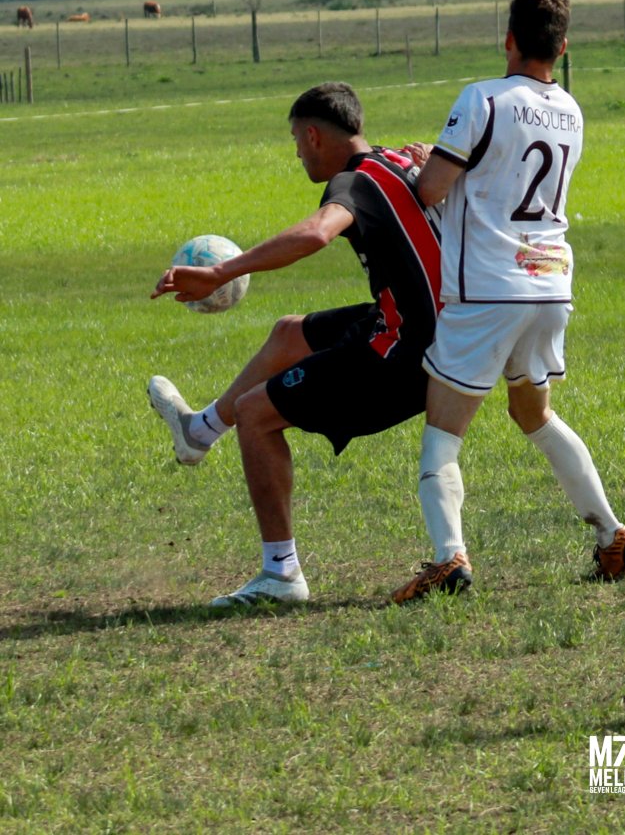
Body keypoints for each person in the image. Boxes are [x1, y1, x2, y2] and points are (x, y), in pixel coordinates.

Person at [388, 0, 625, 605]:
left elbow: (432, 190)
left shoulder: (482, 98)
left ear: (508, 39)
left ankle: (449, 557)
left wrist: (420, 165)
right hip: (550, 283)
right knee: (534, 414)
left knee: (442, 435)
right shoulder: (572, 111)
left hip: (489, 289)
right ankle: (611, 534)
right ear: (563, 46)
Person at [149, 82, 442, 608]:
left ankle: (281, 574)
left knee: (255, 414)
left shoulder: (352, 183)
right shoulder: (398, 161)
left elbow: (316, 234)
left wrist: (221, 271)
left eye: (296, 142)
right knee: (289, 332)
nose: (297, 154)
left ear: (313, 136)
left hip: (407, 356)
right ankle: (199, 432)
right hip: (439, 328)